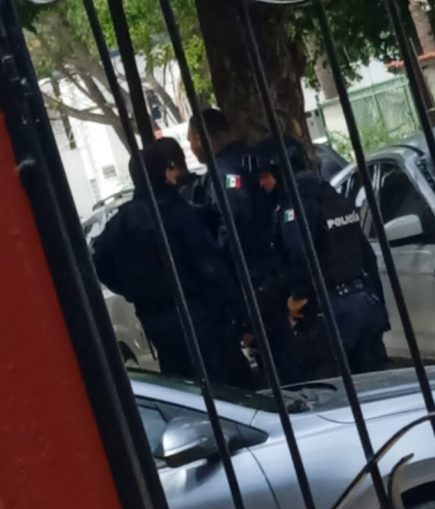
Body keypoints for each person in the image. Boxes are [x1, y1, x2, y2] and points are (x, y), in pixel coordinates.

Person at [92, 139, 253, 388]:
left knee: (185, 389)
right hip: (201, 319)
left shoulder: (120, 223)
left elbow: (99, 262)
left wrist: (132, 289)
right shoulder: (178, 214)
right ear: (166, 172)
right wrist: (241, 314)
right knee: (230, 389)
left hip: (156, 323)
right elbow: (211, 269)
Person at [254, 138, 390, 376]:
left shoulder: (295, 206)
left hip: (331, 313)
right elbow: (367, 255)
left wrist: (297, 297)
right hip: (364, 303)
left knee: (333, 388)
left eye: (266, 175)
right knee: (377, 382)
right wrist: (378, 304)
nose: (262, 183)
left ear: (281, 171)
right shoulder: (334, 197)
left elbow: (299, 256)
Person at [187, 110, 302, 383]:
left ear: (201, 139)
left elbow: (234, 225)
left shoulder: (224, 172)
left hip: (256, 281)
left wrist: (221, 268)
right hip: (280, 272)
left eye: (190, 141)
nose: (191, 148)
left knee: (279, 365)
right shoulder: (252, 159)